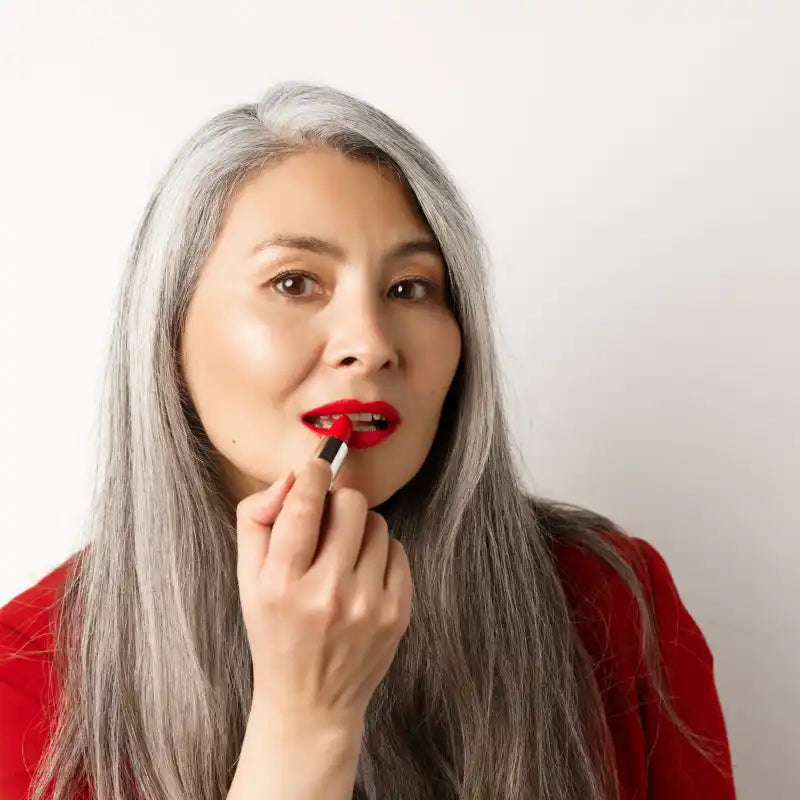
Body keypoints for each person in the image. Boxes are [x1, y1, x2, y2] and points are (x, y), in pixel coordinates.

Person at [0, 81, 736, 800]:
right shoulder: (21, 675)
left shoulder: (613, 602)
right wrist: (305, 722)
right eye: (295, 283)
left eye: (409, 288)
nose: (371, 343)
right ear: (169, 334)